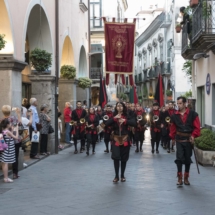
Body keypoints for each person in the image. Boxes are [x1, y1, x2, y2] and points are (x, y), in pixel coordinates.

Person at [170, 96, 200, 186]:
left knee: (187, 158)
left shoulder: (193, 114)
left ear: (185, 103)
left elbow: (197, 127)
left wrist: (193, 136)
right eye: (177, 103)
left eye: (180, 103)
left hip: (188, 139)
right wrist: (172, 138)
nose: (178, 105)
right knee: (179, 158)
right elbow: (173, 128)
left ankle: (186, 176)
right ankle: (179, 177)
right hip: (179, 139)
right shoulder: (174, 115)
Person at [105, 102, 137, 183]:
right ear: (116, 107)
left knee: (124, 158)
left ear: (123, 107)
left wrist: (125, 121)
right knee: (116, 157)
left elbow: (134, 123)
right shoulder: (113, 115)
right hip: (115, 139)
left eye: (121, 106)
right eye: (118, 106)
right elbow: (105, 124)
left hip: (125, 138)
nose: (119, 107)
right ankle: (116, 176)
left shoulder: (128, 115)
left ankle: (122, 175)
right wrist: (114, 119)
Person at [1, 105, 22, 179]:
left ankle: (6, 175)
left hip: (5, 141)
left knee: (4, 158)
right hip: (15, 140)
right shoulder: (13, 118)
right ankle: (15, 173)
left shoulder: (2, 120)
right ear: (10, 111)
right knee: (15, 156)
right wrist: (18, 114)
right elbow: (20, 124)